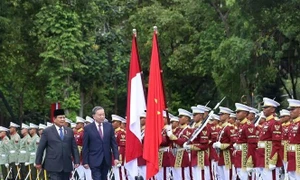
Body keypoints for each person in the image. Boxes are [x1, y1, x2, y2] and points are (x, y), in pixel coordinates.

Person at [35, 109, 80, 180]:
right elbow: (41, 148)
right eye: (60, 118)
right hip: (53, 164)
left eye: (64, 118)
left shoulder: (69, 131)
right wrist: (38, 162)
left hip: (66, 164)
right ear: (54, 119)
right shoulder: (47, 131)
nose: (62, 119)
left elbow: (74, 147)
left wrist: (76, 160)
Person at [82, 106, 119, 180]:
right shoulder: (88, 128)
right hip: (94, 159)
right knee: (97, 177)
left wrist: (116, 158)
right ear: (94, 116)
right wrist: (85, 161)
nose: (102, 117)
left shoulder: (109, 126)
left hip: (106, 159)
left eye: (103, 114)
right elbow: (85, 146)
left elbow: (113, 144)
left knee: (104, 177)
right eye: (100, 115)